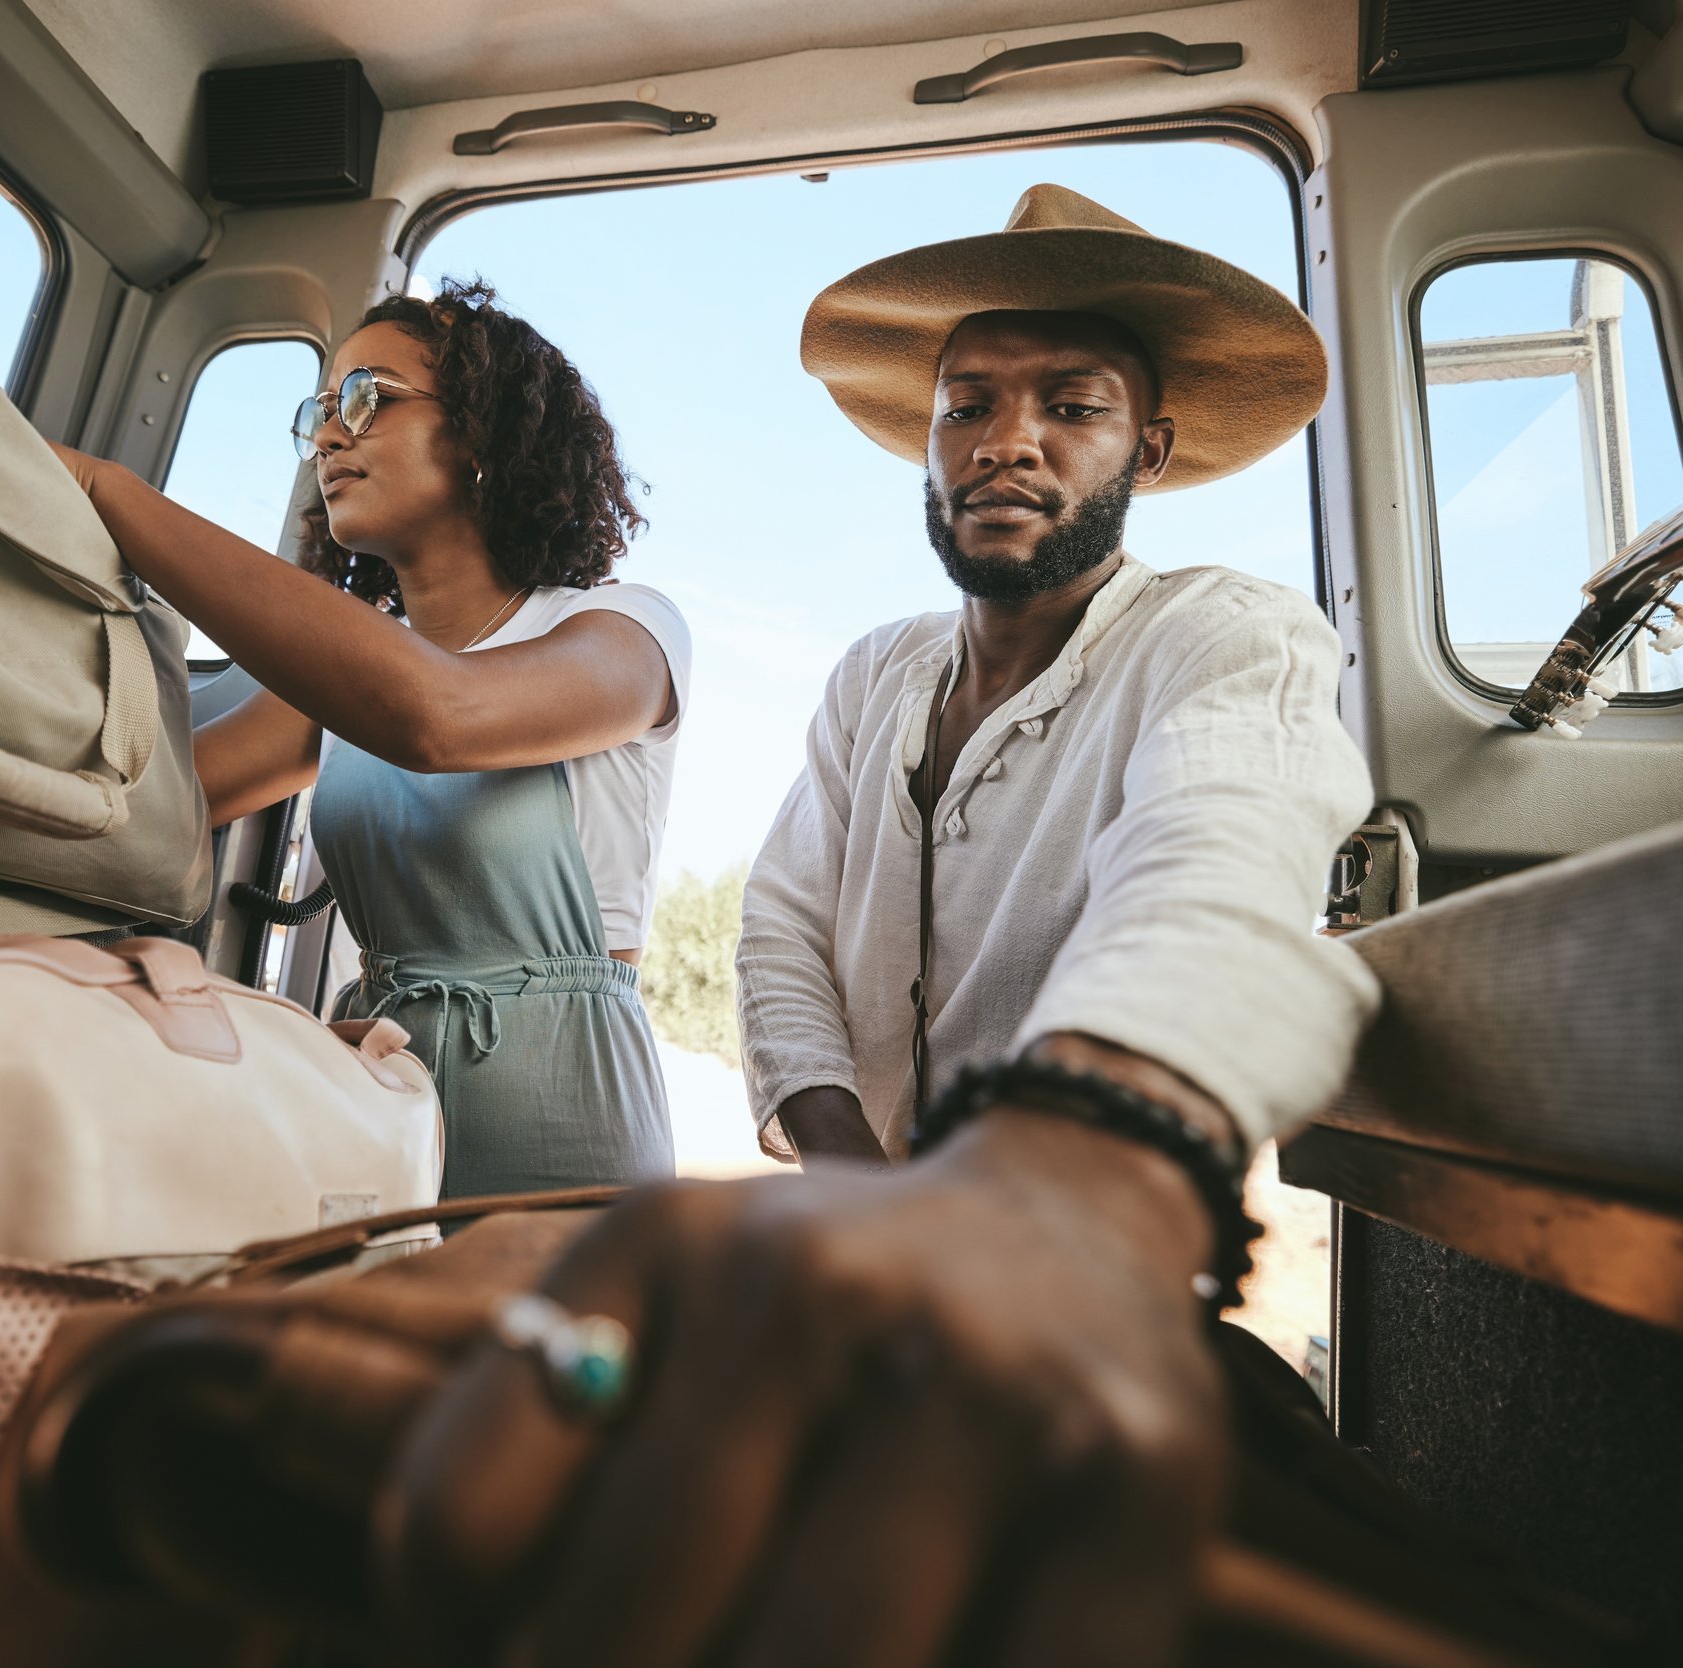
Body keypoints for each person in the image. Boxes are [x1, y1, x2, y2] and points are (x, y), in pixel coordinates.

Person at [373, 187, 1380, 1665]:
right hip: (867, 1229)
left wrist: (1067, 1183)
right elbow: (781, 933)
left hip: (1075, 1271)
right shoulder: (875, 675)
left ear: (1146, 453)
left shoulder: (1225, 635)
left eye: (1072, 407)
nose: (1006, 439)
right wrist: (866, 1194)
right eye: (967, 403)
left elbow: (1218, 858)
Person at [53, 280, 689, 1198]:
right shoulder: (357, 676)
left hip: (564, 1125)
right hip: (378, 1106)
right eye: (319, 409)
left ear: (480, 431)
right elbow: (148, 805)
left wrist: (106, 492)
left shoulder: (628, 632)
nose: (327, 436)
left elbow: (439, 716)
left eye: (366, 400)